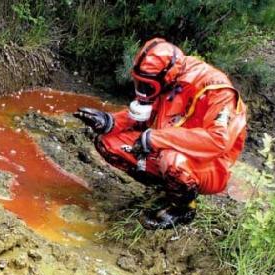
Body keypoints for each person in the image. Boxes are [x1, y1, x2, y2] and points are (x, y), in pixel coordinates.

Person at [73, 38, 247, 230]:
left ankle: (184, 209)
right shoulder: (169, 79)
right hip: (169, 149)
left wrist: (155, 138)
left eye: (148, 86)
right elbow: (146, 112)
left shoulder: (217, 90)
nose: (143, 91)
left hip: (211, 165)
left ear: (166, 76)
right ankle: (168, 188)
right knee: (109, 143)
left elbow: (218, 141)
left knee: (172, 160)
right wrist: (110, 122)